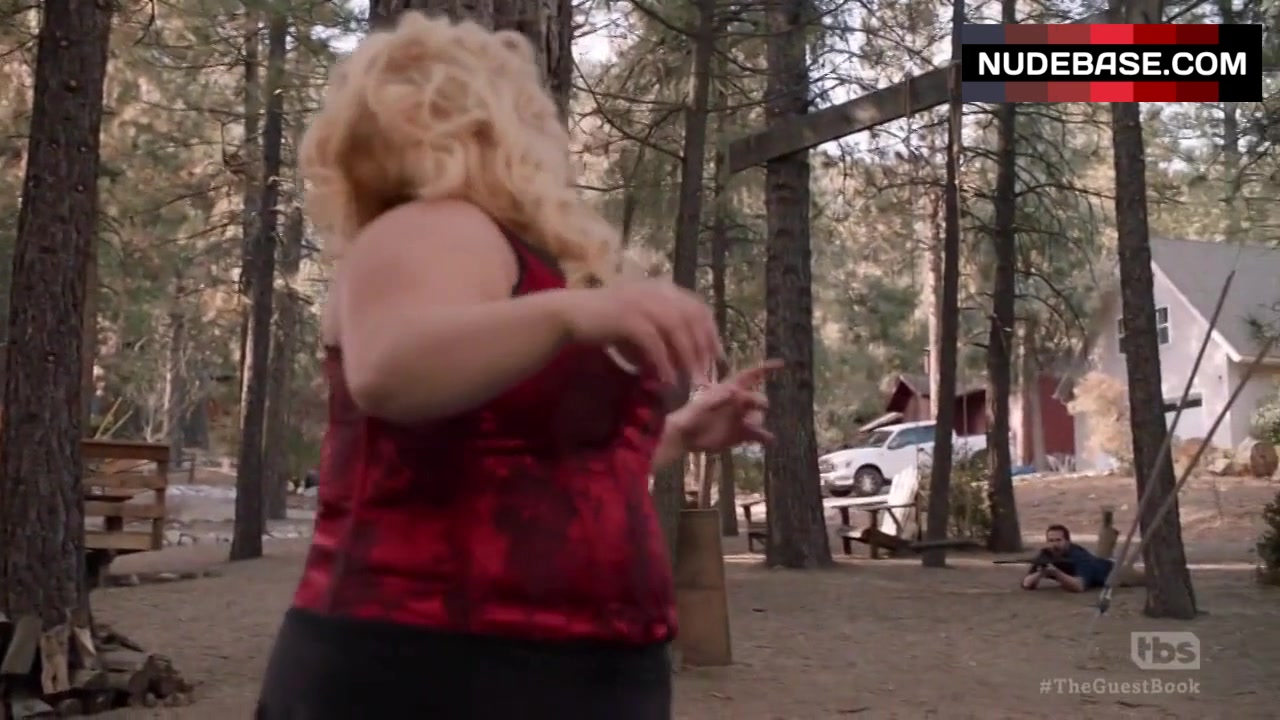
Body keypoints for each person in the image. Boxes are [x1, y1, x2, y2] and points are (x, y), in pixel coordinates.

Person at [254, 13, 779, 720]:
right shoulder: (432, 226)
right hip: (437, 669)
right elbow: (388, 370)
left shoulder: (509, 260)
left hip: (563, 670)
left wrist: (679, 433)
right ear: (499, 123)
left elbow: (517, 461)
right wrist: (571, 314)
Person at [1022, 524, 1114, 593]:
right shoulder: (1046, 554)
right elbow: (1026, 584)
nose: (1054, 544)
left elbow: (1079, 587)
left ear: (1067, 541)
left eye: (1058, 540)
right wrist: (1042, 572)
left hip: (1114, 573)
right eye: (1051, 540)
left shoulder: (1078, 555)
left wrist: (1056, 572)